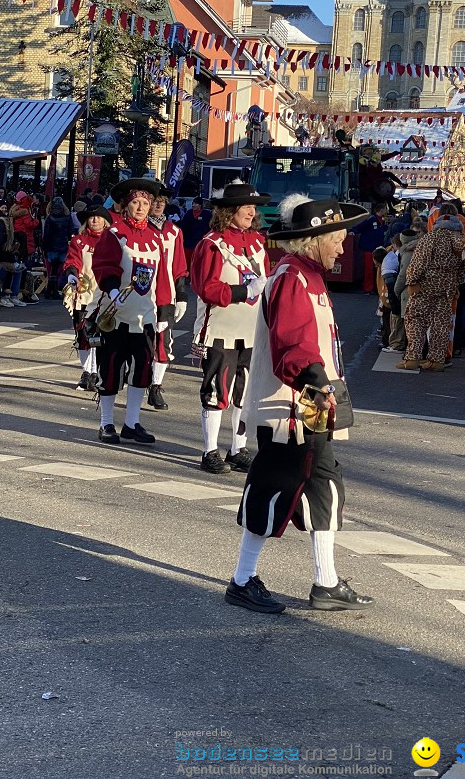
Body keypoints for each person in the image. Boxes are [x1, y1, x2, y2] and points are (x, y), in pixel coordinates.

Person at [225, 197, 374, 614]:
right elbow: (293, 344)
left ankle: (326, 583)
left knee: (324, 486)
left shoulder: (308, 275)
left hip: (310, 409)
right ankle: (241, 580)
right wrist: (317, 382)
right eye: (337, 241)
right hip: (288, 410)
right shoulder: (292, 277)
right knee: (272, 487)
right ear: (316, 240)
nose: (342, 249)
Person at [189, 183, 269, 474]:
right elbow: (206, 288)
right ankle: (210, 450)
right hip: (219, 330)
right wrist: (243, 291)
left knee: (244, 393)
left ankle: (238, 448)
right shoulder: (211, 244)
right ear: (229, 211)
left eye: (254, 207)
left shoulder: (258, 243)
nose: (252, 211)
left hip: (252, 331)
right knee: (216, 392)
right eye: (246, 206)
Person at [91, 177, 168, 445]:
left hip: (144, 316)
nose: (140, 207)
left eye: (145, 203)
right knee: (111, 370)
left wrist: (166, 311)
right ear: (125, 205)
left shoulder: (156, 238)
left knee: (142, 371)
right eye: (135, 202)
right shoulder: (114, 234)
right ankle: (106, 423)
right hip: (117, 315)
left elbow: (162, 277)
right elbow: (103, 264)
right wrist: (112, 289)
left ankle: (132, 423)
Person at [397, 204, 465, 371]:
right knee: (441, 324)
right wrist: (455, 281)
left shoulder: (431, 237)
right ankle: (437, 360)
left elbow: (419, 262)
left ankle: (412, 358)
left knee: (415, 320)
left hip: (426, 285)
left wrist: (412, 281)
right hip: (447, 287)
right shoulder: (461, 239)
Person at [146, 188, 189, 411]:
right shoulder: (140, 229)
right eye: (155, 201)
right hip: (142, 296)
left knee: (163, 342)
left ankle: (155, 386)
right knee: (140, 343)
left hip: (166, 295)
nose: (158, 205)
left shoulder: (174, 232)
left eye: (162, 201)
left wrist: (181, 296)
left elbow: (179, 265)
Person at [63, 206, 110, 391]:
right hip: (84, 294)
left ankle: (97, 372)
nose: (95, 221)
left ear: (105, 221)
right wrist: (72, 274)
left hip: (106, 294)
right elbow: (72, 260)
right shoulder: (79, 241)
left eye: (99, 218)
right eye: (91, 218)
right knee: (83, 335)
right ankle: (86, 372)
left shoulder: (113, 241)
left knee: (101, 336)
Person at [41, 197, 77, 299]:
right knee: (57, 269)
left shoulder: (50, 217)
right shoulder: (67, 216)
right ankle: (53, 291)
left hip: (51, 245)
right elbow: (71, 230)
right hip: (62, 245)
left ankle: (50, 291)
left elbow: (46, 234)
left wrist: (44, 247)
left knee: (51, 269)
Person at [353, 201, 388, 293]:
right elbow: (360, 227)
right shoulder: (371, 219)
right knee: (369, 269)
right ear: (381, 209)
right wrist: (352, 231)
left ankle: (375, 288)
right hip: (369, 248)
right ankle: (368, 288)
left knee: (376, 269)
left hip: (377, 248)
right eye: (385, 209)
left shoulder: (381, 221)